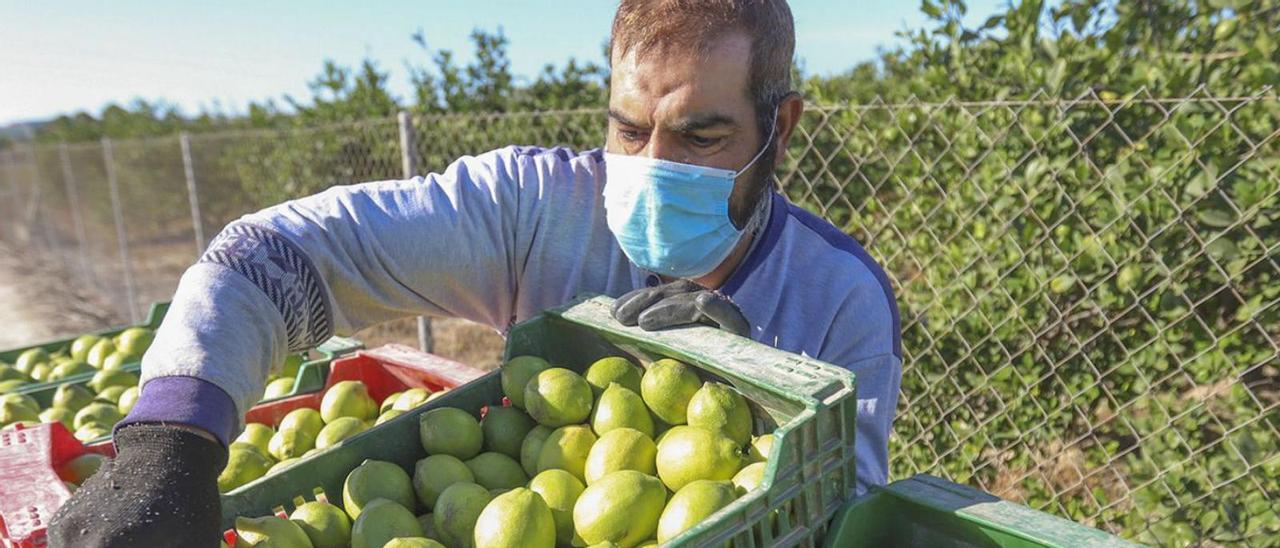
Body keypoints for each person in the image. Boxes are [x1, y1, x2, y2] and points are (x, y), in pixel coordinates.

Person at [50, 1, 901, 545]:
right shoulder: (535, 208)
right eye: (629, 129)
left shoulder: (841, 299)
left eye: (701, 137)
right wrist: (170, 443)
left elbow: (839, 516)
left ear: (780, 127)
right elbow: (268, 255)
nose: (652, 165)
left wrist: (758, 383)